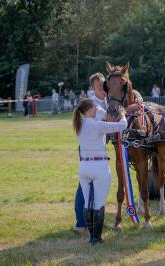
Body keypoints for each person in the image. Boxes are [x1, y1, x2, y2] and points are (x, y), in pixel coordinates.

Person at [72, 98, 127, 245]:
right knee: (98, 204)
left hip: (84, 167)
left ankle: (92, 236)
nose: (97, 110)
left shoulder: (79, 125)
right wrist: (122, 114)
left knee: (87, 204)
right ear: (89, 110)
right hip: (99, 167)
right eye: (95, 108)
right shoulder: (97, 125)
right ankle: (96, 238)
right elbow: (122, 126)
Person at [74, 72, 107, 235]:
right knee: (84, 188)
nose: (102, 87)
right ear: (93, 87)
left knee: (94, 187)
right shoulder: (93, 104)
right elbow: (108, 118)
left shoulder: (106, 100)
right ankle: (81, 223)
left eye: (104, 84)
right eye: (99, 85)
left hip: (99, 150)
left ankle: (94, 222)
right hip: (89, 152)